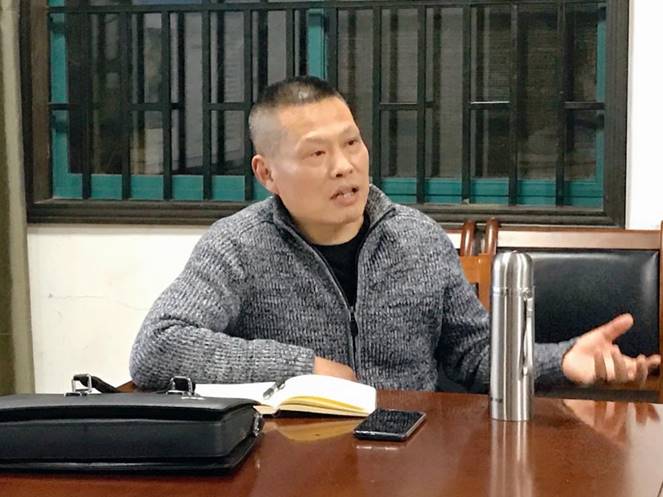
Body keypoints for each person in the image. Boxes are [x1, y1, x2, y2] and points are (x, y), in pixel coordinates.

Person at [130, 76, 660, 391]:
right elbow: (158, 347)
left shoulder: (417, 239)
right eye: (316, 153)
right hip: (292, 462)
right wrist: (302, 368)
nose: (344, 166)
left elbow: (473, 354)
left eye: (352, 143)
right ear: (266, 173)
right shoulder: (237, 246)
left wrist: (560, 360)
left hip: (415, 457)